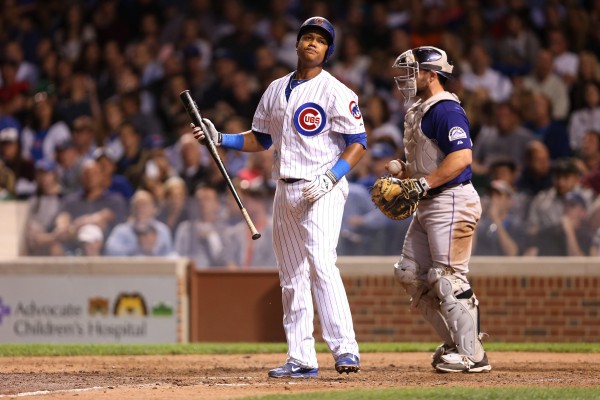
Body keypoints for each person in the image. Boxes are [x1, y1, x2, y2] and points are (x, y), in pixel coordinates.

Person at [193, 17, 366, 378]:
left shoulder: (336, 91)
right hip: (284, 187)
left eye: (321, 40)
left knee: (321, 261)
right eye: (308, 37)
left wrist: (332, 176)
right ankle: (301, 357)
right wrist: (222, 138)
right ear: (297, 44)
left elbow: (358, 143)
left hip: (324, 186)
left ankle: (345, 349)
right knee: (291, 274)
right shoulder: (275, 88)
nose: (313, 43)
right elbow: (262, 138)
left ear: (328, 50)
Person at [388, 45, 491, 373]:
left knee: (446, 278)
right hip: (431, 199)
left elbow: (461, 158)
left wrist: (423, 182)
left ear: (432, 74)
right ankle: (455, 343)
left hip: (451, 199)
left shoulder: (445, 109)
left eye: (414, 71)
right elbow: (429, 160)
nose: (407, 78)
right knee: (409, 272)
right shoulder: (421, 109)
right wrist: (407, 172)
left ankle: (472, 354)